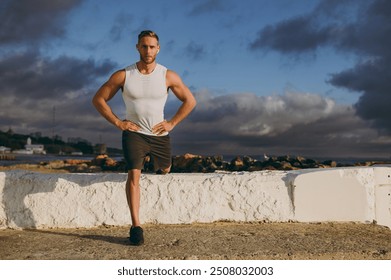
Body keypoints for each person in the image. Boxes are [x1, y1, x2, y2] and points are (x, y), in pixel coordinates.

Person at [92, 30, 196, 245]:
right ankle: (136, 226)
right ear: (137, 47)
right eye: (144, 46)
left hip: (159, 134)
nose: (148, 50)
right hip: (134, 134)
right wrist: (119, 123)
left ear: (158, 49)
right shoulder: (124, 75)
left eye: (152, 46)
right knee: (134, 175)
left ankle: (153, 161)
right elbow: (99, 99)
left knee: (165, 169)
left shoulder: (168, 75)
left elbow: (190, 101)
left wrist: (172, 123)